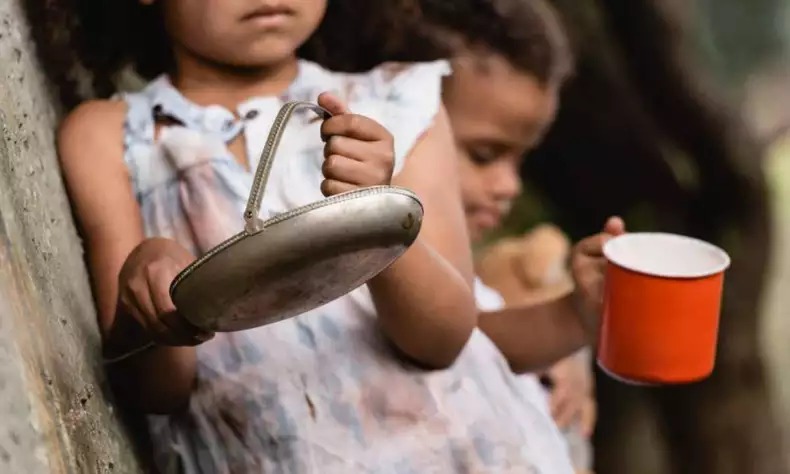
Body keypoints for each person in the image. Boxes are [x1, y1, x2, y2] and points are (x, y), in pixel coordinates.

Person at [54, 0, 620, 471]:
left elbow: (443, 338)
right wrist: (149, 279)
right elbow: (156, 390)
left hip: (461, 447)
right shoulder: (111, 139)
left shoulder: (400, 104)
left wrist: (377, 214)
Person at [434, 0, 604, 471]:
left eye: (520, 160)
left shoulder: (489, 283)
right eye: (484, 155)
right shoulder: (376, 281)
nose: (510, 187)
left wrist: (562, 340)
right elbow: (450, 339)